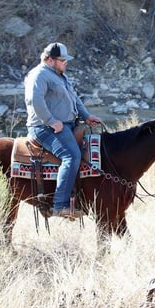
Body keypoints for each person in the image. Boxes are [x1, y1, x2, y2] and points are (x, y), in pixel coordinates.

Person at [24, 41, 102, 219]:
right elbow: (35, 101)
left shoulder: (60, 75)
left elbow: (74, 99)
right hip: (44, 127)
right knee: (71, 156)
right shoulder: (39, 75)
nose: (66, 62)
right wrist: (51, 121)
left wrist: (86, 115)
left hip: (66, 124)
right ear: (50, 60)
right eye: (62, 60)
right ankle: (60, 205)